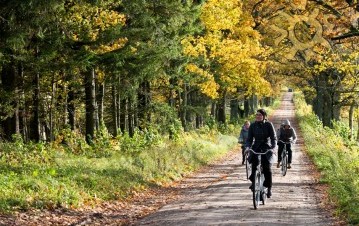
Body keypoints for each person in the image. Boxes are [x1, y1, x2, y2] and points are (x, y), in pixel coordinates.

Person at [245, 109, 276, 198]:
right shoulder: (253, 126)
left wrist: (273, 148)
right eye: (257, 115)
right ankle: (254, 182)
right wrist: (247, 147)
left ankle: (268, 187)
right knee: (254, 166)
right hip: (256, 147)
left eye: (260, 115)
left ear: (264, 116)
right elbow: (249, 139)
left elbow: (273, 138)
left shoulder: (269, 125)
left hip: (266, 147)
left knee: (267, 168)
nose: (258, 116)